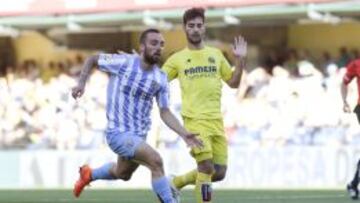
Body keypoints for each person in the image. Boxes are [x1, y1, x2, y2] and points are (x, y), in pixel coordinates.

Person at [71, 28, 202, 203]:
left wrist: (184, 133)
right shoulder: (124, 62)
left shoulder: (161, 78)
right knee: (156, 161)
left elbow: (165, 111)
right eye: (153, 43)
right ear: (142, 47)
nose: (158, 48)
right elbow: (93, 59)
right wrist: (81, 83)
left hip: (139, 135)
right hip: (117, 133)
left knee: (122, 173)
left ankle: (89, 174)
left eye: (161, 44)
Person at [162, 7, 247, 203]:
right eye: (191, 26)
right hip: (194, 121)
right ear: (184, 28)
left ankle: (175, 183)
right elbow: (158, 80)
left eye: (199, 26)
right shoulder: (177, 59)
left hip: (216, 121)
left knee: (219, 172)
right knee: (206, 167)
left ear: (204, 28)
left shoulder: (216, 55)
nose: (195, 29)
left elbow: (233, 83)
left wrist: (240, 60)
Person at [342, 58, 360, 200]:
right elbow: (344, 82)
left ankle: (353, 184)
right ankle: (353, 185)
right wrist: (344, 101)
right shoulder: (356, 64)